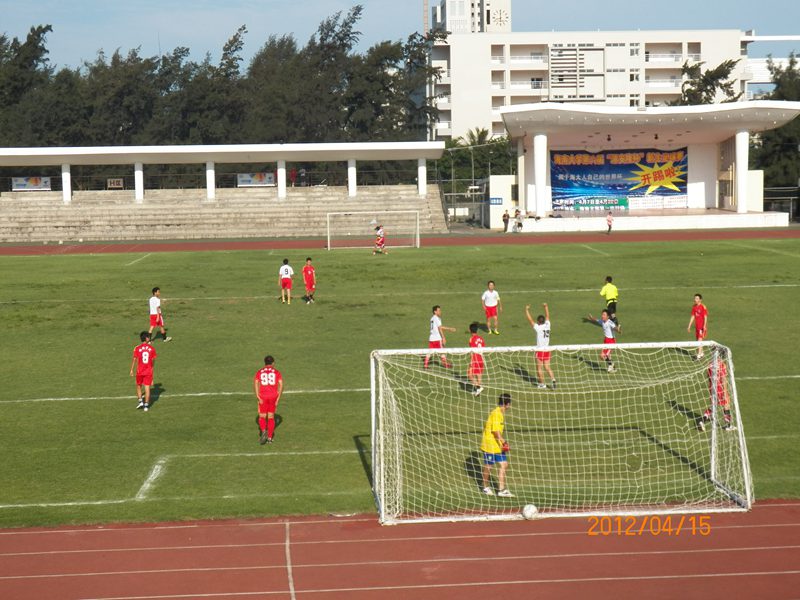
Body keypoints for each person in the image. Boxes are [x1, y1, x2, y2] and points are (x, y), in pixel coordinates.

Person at [480, 393, 513, 497]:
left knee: (504, 464)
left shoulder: (499, 413)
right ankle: (485, 487)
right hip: (490, 444)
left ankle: (501, 490)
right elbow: (495, 431)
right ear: (507, 404)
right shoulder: (497, 414)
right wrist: (504, 442)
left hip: (497, 444)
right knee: (489, 466)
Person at [698, 356, 734, 431]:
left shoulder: (710, 364)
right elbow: (723, 379)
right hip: (720, 388)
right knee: (726, 404)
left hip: (712, 387)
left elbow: (708, 376)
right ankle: (728, 425)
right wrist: (725, 392)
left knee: (713, 406)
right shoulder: (722, 365)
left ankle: (702, 420)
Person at [254, 355, 284, 444]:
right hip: (273, 396)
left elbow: (256, 383)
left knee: (262, 416)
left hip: (263, 396)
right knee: (271, 417)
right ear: (273, 363)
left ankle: (263, 430)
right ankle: (270, 438)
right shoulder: (277, 372)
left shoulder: (259, 372)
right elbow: (281, 384)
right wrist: (278, 398)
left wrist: (257, 395)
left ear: (265, 363)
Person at [526, 303, 556, 389]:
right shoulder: (548, 325)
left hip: (540, 350)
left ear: (538, 322)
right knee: (547, 367)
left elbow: (530, 320)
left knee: (539, 368)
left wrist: (526, 310)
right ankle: (553, 379)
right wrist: (546, 307)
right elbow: (547, 316)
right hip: (547, 350)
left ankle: (542, 384)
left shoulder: (538, 328)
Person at [130, 331, 157, 412]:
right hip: (148, 371)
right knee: (147, 388)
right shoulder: (152, 349)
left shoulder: (137, 348)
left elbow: (134, 359)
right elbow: (153, 361)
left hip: (140, 371)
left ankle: (140, 401)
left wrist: (131, 370)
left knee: (138, 386)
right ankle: (146, 406)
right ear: (147, 338)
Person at [687, 293, 708, 360]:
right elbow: (693, 316)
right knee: (697, 340)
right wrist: (689, 325)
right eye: (695, 298)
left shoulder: (703, 307)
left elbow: (705, 317)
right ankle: (702, 353)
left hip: (701, 327)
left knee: (699, 340)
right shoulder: (694, 307)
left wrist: (704, 326)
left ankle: (699, 355)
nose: (695, 299)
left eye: (696, 298)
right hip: (697, 327)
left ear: (700, 300)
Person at [467, 322, 486, 396]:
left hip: (475, 358)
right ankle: (478, 390)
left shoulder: (471, 339)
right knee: (479, 375)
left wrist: (471, 361)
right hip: (481, 358)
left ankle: (479, 388)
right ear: (477, 330)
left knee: (470, 374)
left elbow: (472, 351)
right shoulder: (481, 338)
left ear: (470, 330)